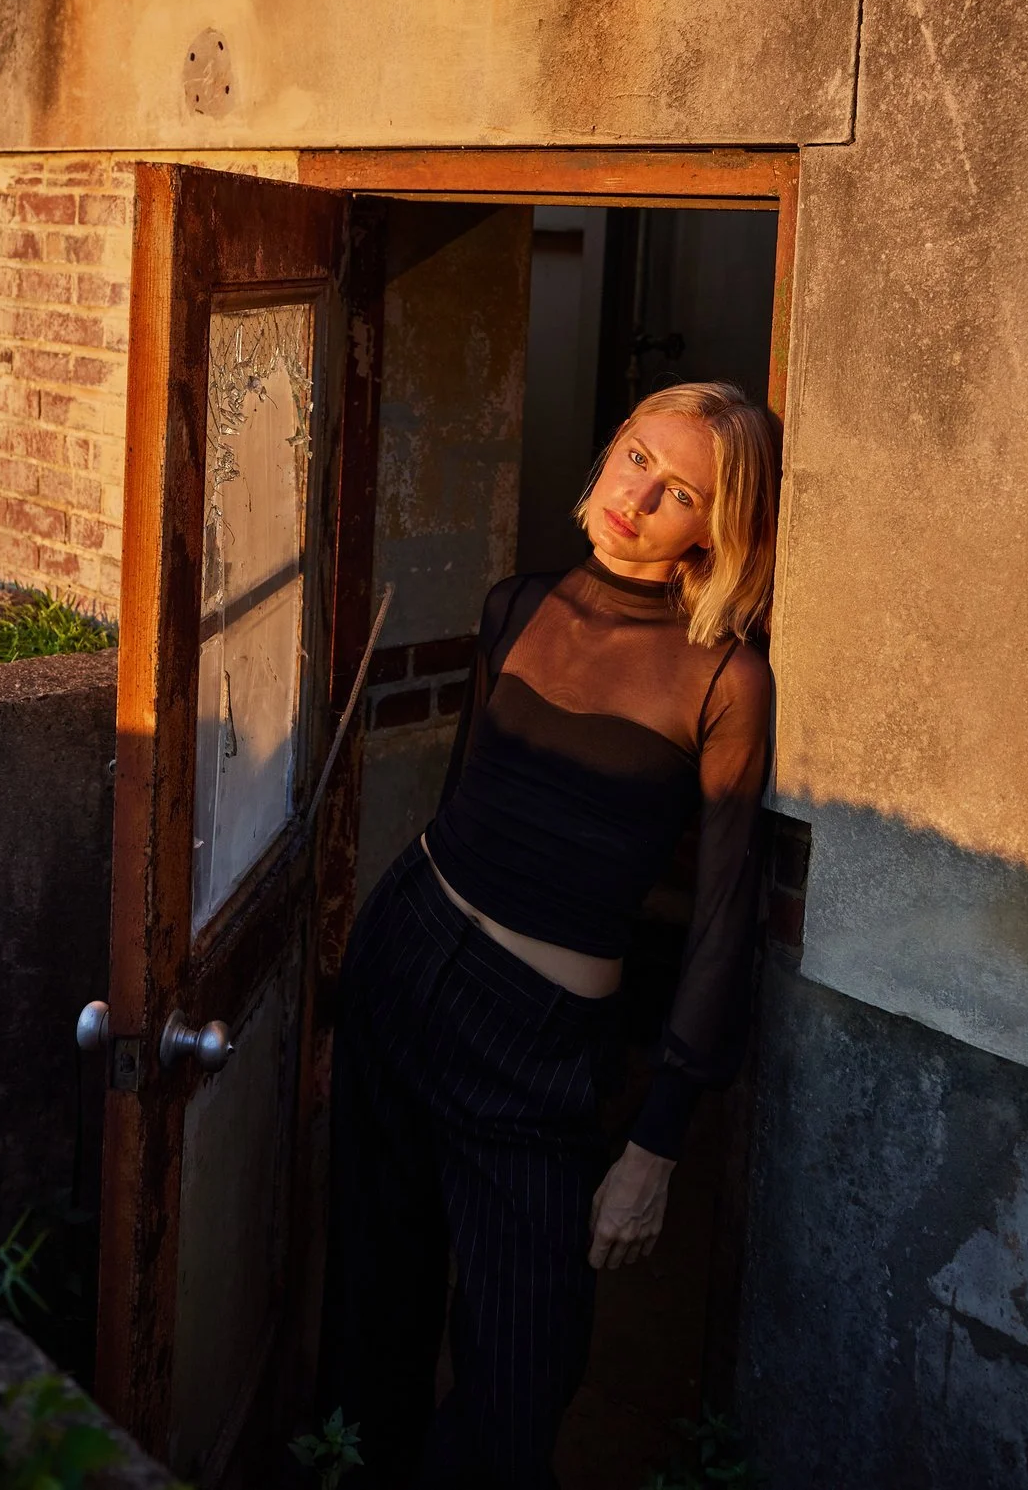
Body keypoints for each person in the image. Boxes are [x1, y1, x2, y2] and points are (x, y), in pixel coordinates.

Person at [319, 381, 778, 1489]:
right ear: (610, 452)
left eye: (681, 493)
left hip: (533, 1043)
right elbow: (464, 799)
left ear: (714, 530)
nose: (640, 498)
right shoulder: (515, 604)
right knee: (372, 1307)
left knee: (524, 1366)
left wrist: (657, 1144)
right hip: (406, 952)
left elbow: (724, 919)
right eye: (637, 458)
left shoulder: (725, 678)